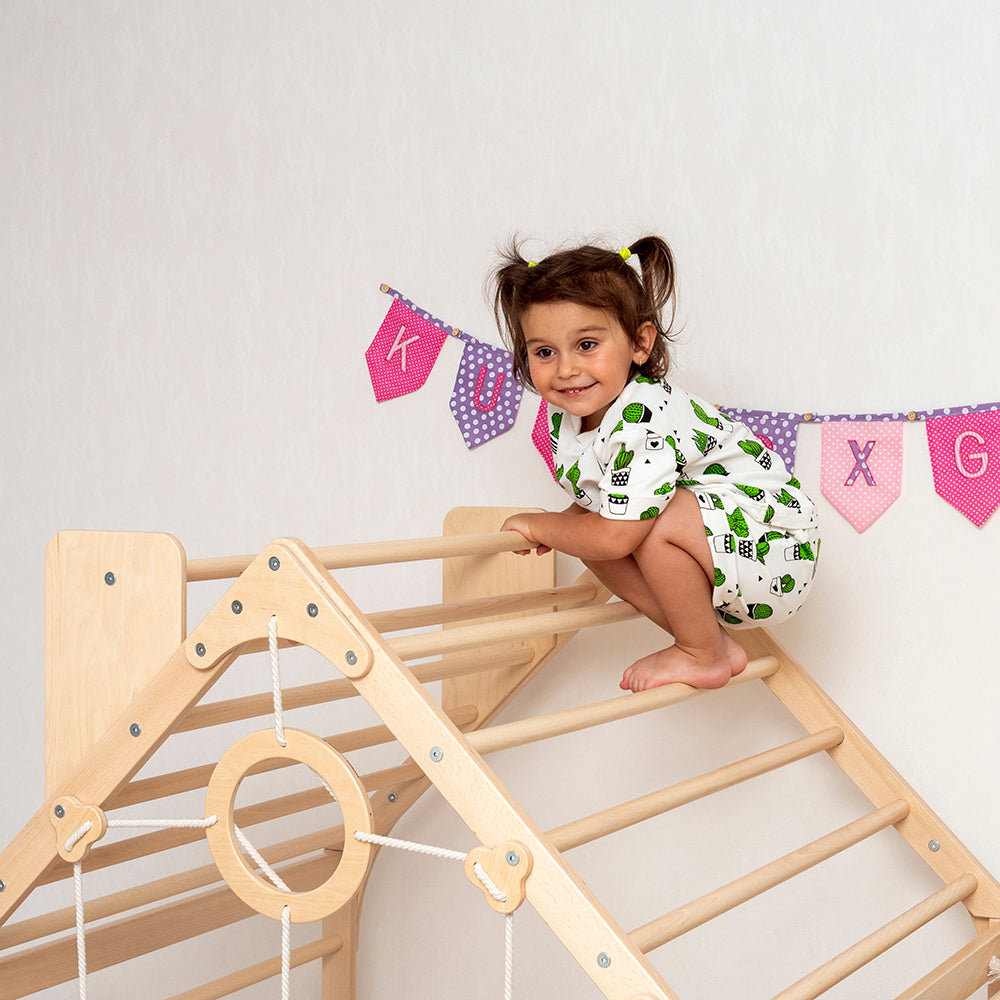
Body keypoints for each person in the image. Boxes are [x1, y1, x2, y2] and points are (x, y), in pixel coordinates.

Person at [491, 236, 819, 692]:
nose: (564, 369)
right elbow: (604, 508)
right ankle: (708, 642)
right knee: (595, 537)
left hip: (773, 545)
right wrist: (567, 527)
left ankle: (700, 652)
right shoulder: (567, 417)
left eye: (586, 344)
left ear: (640, 343)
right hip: (720, 552)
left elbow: (618, 531)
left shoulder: (644, 420)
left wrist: (542, 525)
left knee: (636, 525)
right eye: (544, 352)